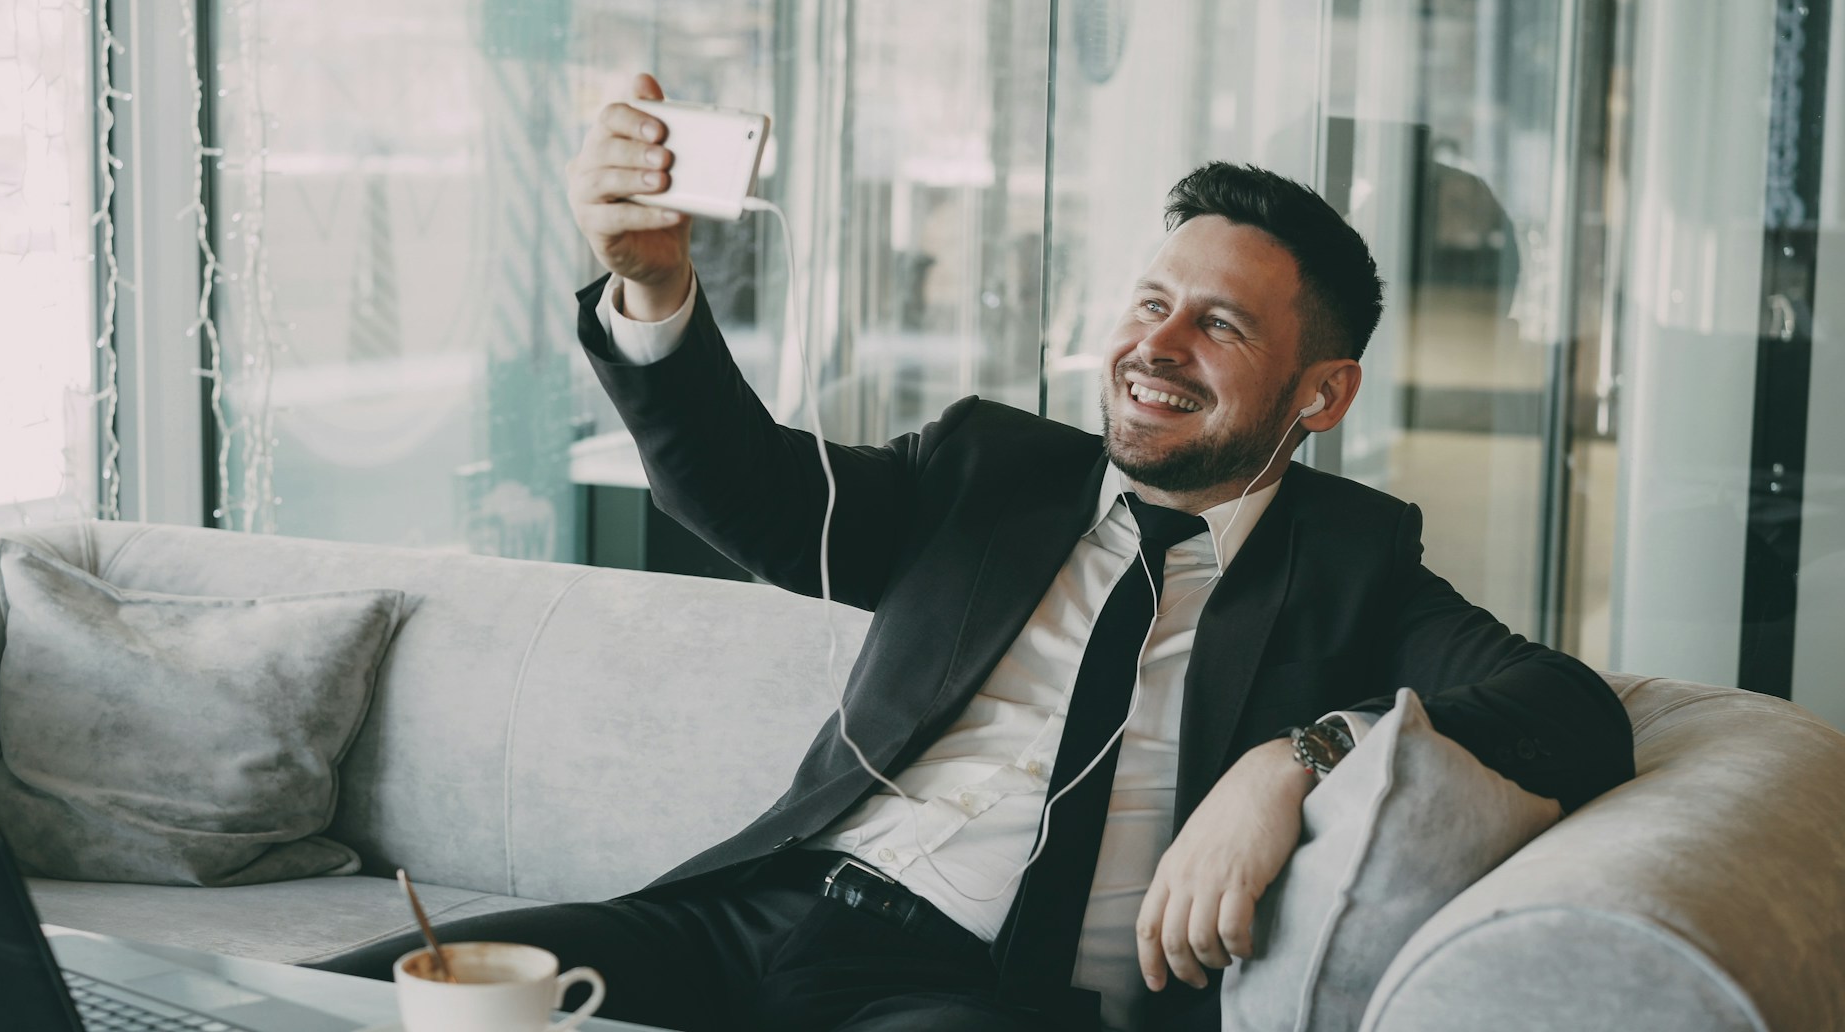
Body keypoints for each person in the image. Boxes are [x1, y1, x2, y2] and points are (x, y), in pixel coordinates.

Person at [315, 74, 1635, 1032]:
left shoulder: (1350, 560)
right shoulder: (994, 472)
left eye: (1221, 327)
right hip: (744, 920)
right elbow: (754, 493)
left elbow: (1574, 714)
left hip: (972, 997)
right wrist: (656, 288)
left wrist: (1297, 763)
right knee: (329, 1008)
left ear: (1319, 396)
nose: (1157, 346)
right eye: (1150, 303)